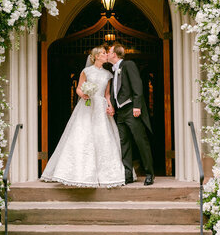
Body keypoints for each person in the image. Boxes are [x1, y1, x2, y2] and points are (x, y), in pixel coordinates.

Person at [41, 46, 125, 187]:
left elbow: (107, 94)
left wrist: (110, 106)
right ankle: (78, 173)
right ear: (96, 56)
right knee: (83, 135)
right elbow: (79, 88)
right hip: (87, 105)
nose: (106, 55)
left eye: (106, 53)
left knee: (103, 136)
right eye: (104, 53)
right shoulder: (86, 71)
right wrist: (83, 94)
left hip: (101, 106)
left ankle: (106, 174)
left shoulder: (107, 74)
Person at [107, 43, 155, 186]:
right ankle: (127, 174)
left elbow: (137, 85)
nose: (108, 53)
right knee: (124, 143)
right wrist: (113, 107)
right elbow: (116, 91)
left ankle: (149, 174)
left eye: (109, 51)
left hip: (131, 110)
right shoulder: (115, 71)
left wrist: (137, 106)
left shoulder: (128, 65)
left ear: (115, 54)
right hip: (120, 113)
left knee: (141, 141)